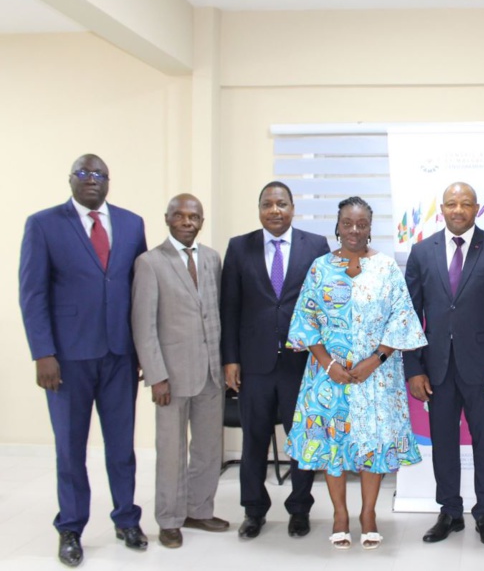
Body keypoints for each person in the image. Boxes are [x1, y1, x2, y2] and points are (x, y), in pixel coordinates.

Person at [19, 154, 149, 567]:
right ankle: (71, 527)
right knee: (71, 448)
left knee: (121, 446)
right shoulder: (43, 224)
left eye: (99, 174)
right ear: (70, 179)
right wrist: (43, 353)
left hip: (119, 356)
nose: (91, 179)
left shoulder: (131, 223)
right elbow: (33, 293)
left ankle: (126, 518)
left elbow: (141, 291)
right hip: (68, 359)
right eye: (83, 173)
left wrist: (143, 350)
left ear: (109, 181)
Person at [285, 196, 426, 550]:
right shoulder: (319, 268)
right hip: (326, 376)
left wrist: (374, 360)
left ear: (370, 227)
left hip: (376, 377)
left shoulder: (387, 269)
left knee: (373, 446)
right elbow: (305, 321)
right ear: (337, 225)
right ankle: (339, 515)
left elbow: (402, 320)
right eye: (347, 223)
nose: (354, 230)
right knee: (333, 445)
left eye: (361, 224)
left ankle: (368, 515)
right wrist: (329, 364)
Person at [404, 182, 484, 547]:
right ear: (441, 208)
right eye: (452, 204)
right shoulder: (422, 251)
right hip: (436, 370)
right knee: (443, 443)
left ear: (477, 209)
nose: (458, 210)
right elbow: (408, 317)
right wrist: (413, 369)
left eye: (466, 204)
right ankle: (450, 512)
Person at [220, 181, 330, 539]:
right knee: (253, 441)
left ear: (293, 208)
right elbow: (230, 308)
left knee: (301, 441)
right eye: (267, 204)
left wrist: (326, 359)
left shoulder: (315, 246)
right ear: (259, 210)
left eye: (281, 203)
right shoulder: (239, 248)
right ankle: (254, 510)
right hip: (254, 365)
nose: (275, 210)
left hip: (302, 364)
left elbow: (325, 306)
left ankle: (299, 509)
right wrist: (230, 360)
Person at [131, 194, 229, 548]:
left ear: (202, 222)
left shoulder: (212, 259)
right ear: (167, 219)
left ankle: (199, 509)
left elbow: (215, 314)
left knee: (207, 449)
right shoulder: (150, 262)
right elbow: (143, 325)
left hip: (211, 375)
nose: (187, 221)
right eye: (180, 215)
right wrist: (156, 375)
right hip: (170, 377)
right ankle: (169, 518)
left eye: (194, 216)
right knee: (171, 451)